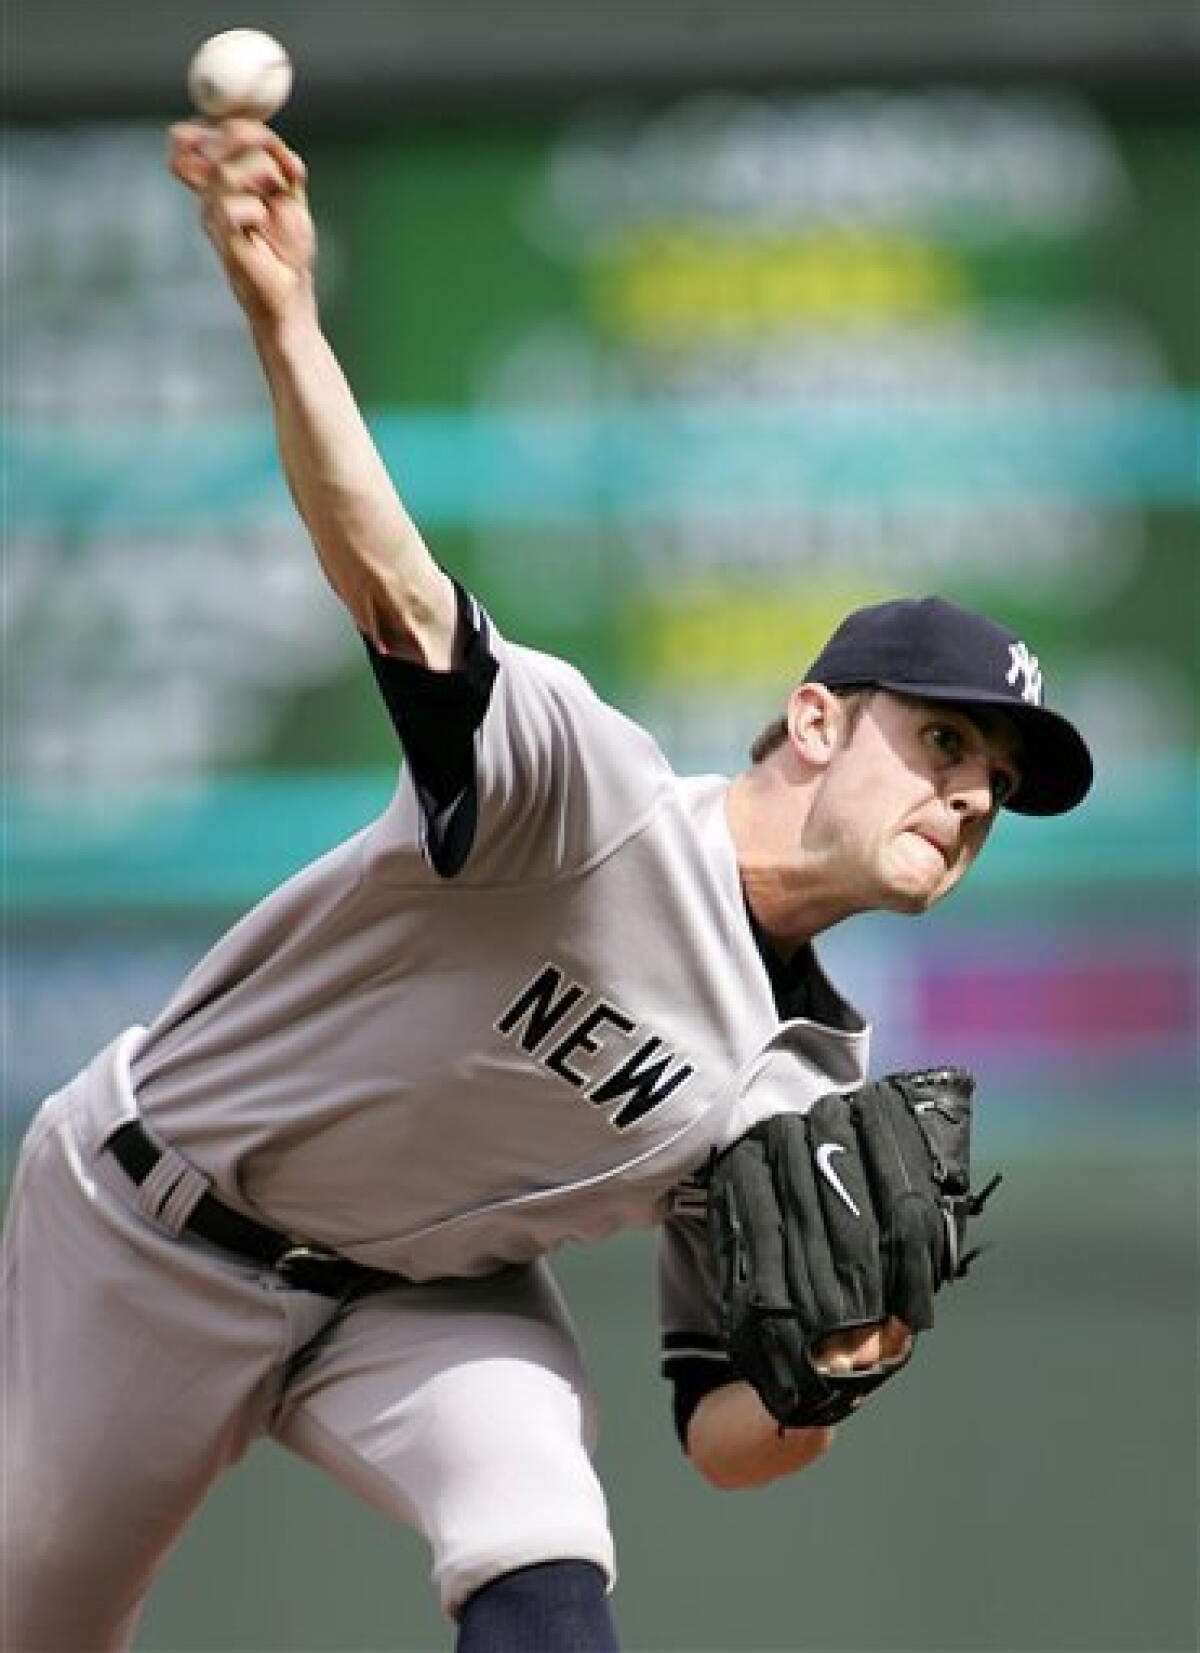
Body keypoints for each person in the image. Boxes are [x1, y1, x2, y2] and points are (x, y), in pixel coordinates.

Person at [1, 120, 1093, 1653]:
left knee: (540, 1528)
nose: (972, 789)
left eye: (998, 779)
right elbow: (392, 584)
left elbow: (723, 1434)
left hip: (417, 1297)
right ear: (819, 718)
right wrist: (287, 321)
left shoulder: (808, 1086)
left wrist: (838, 1369)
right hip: (149, 1230)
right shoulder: (590, 796)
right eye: (944, 738)